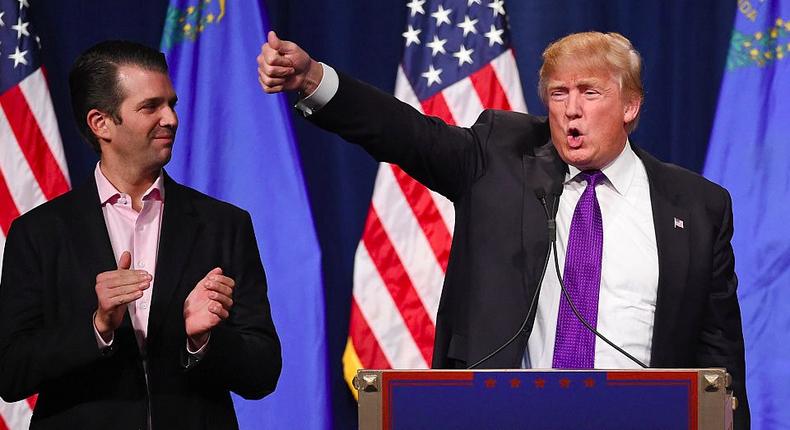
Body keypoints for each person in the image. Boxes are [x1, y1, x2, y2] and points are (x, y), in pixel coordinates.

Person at [257, 30, 750, 427]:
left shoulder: (697, 206)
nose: (571, 110)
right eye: (559, 93)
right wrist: (313, 80)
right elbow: (405, 133)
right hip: (506, 416)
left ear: (630, 106)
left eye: (590, 93)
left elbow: (721, 356)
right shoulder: (501, 157)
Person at [0, 40, 281, 429]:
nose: (171, 118)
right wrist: (96, 327)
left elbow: (263, 371)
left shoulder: (224, 225)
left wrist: (202, 340)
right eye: (150, 107)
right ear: (101, 123)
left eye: (172, 103)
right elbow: (11, 372)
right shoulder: (39, 233)